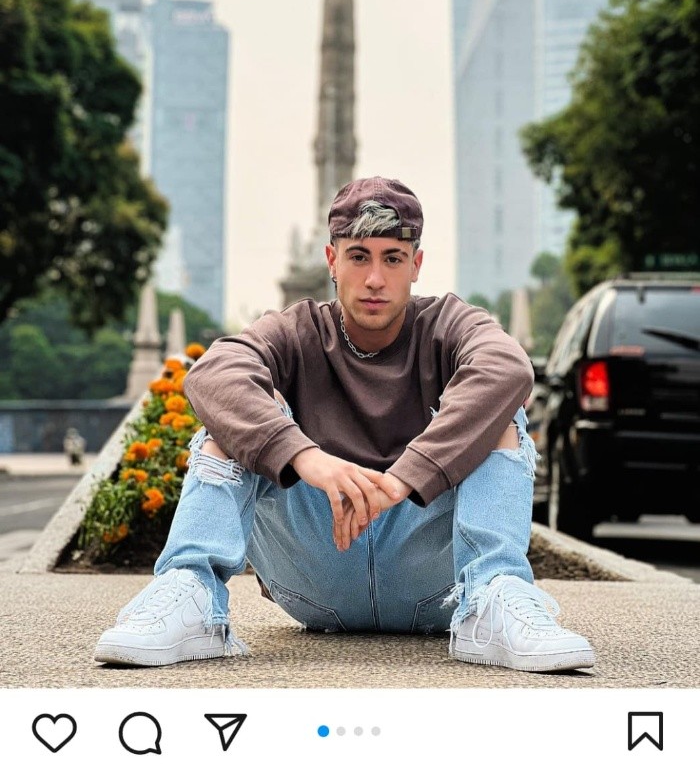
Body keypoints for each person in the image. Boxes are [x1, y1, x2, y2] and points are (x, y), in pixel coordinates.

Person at [95, 177, 595, 672]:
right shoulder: (296, 330)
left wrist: (404, 479)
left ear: (416, 265)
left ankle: (495, 598)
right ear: (332, 261)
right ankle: (192, 593)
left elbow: (507, 368)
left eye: (392, 259)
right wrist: (305, 457)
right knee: (234, 418)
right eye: (359, 257)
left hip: (435, 581)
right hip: (315, 574)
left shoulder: (449, 324)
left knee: (500, 414)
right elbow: (212, 374)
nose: (375, 279)